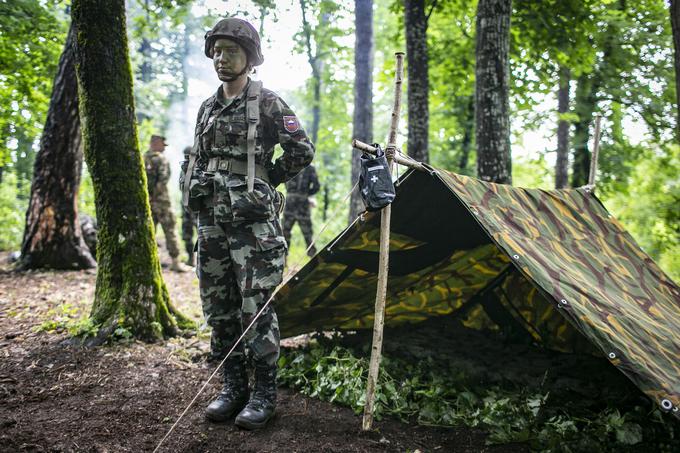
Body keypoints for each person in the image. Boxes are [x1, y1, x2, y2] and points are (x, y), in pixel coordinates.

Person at [181, 17, 314, 430]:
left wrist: (265, 181)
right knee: (219, 309)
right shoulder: (207, 107)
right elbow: (199, 159)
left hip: (253, 225)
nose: (222, 59)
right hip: (211, 224)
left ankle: (263, 394)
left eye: (232, 51)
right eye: (217, 51)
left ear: (250, 58)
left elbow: (301, 150)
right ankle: (232, 386)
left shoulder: (267, 102)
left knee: (256, 308)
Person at [144, 135, 186, 272]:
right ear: (155, 143)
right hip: (161, 201)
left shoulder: (142, 158)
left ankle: (149, 262)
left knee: (149, 231)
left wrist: (148, 197)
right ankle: (175, 262)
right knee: (170, 229)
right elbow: (163, 179)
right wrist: (155, 196)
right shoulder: (161, 159)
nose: (164, 148)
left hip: (147, 202)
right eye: (163, 144)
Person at [282, 164, 320, 256]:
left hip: (290, 202)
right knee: (308, 234)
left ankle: (283, 259)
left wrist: (291, 192)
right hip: (302, 203)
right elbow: (316, 186)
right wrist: (305, 194)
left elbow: (283, 180)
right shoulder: (310, 168)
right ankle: (313, 261)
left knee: (284, 232)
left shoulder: (289, 164)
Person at [181, 146, 197, 267]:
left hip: (197, 208)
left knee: (202, 235)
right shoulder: (184, 168)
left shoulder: (200, 167)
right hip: (186, 207)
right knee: (187, 234)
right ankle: (191, 258)